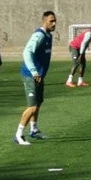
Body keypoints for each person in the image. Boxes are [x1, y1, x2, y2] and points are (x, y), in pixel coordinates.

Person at [15, 11, 56, 146]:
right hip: (30, 75)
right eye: (51, 21)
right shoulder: (39, 35)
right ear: (44, 21)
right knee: (32, 107)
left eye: (55, 21)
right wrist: (34, 71)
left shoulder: (48, 36)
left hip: (39, 76)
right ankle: (19, 135)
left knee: (38, 103)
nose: (54, 23)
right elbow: (27, 52)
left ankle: (34, 129)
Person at [65, 22, 91, 87]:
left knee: (83, 64)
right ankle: (69, 81)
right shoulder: (89, 34)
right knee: (76, 63)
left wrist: (82, 53)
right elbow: (83, 43)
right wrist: (81, 55)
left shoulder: (90, 33)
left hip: (80, 49)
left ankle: (80, 81)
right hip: (75, 47)